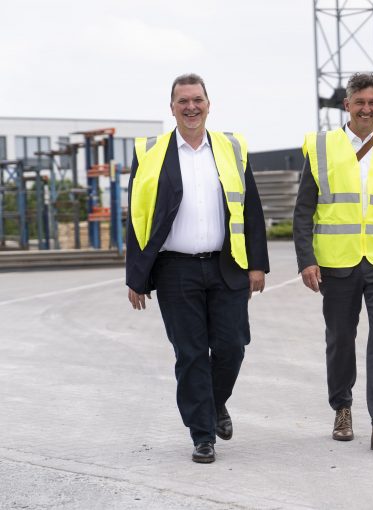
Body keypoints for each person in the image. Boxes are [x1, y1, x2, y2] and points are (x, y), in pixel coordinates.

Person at [126, 73, 269, 463]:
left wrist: (257, 263)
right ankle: (202, 434)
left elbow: (250, 208)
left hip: (227, 266)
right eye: (182, 101)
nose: (191, 107)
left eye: (197, 100)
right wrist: (136, 277)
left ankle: (215, 403)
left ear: (209, 103)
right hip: (175, 271)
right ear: (171, 107)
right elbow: (136, 217)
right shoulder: (150, 152)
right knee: (190, 354)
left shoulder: (231, 148)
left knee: (231, 347)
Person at [293, 73, 373, 454]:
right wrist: (306, 260)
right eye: (359, 102)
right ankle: (342, 409)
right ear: (346, 105)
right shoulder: (320, 147)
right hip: (336, 261)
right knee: (340, 339)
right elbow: (304, 210)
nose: (366, 109)